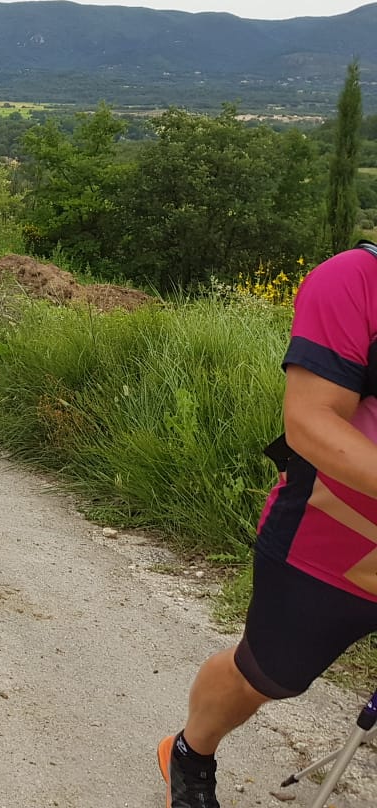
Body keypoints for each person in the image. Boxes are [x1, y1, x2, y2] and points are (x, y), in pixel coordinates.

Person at [158, 240, 377, 807]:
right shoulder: (355, 279)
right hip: (331, 544)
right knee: (268, 675)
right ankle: (189, 750)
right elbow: (310, 419)